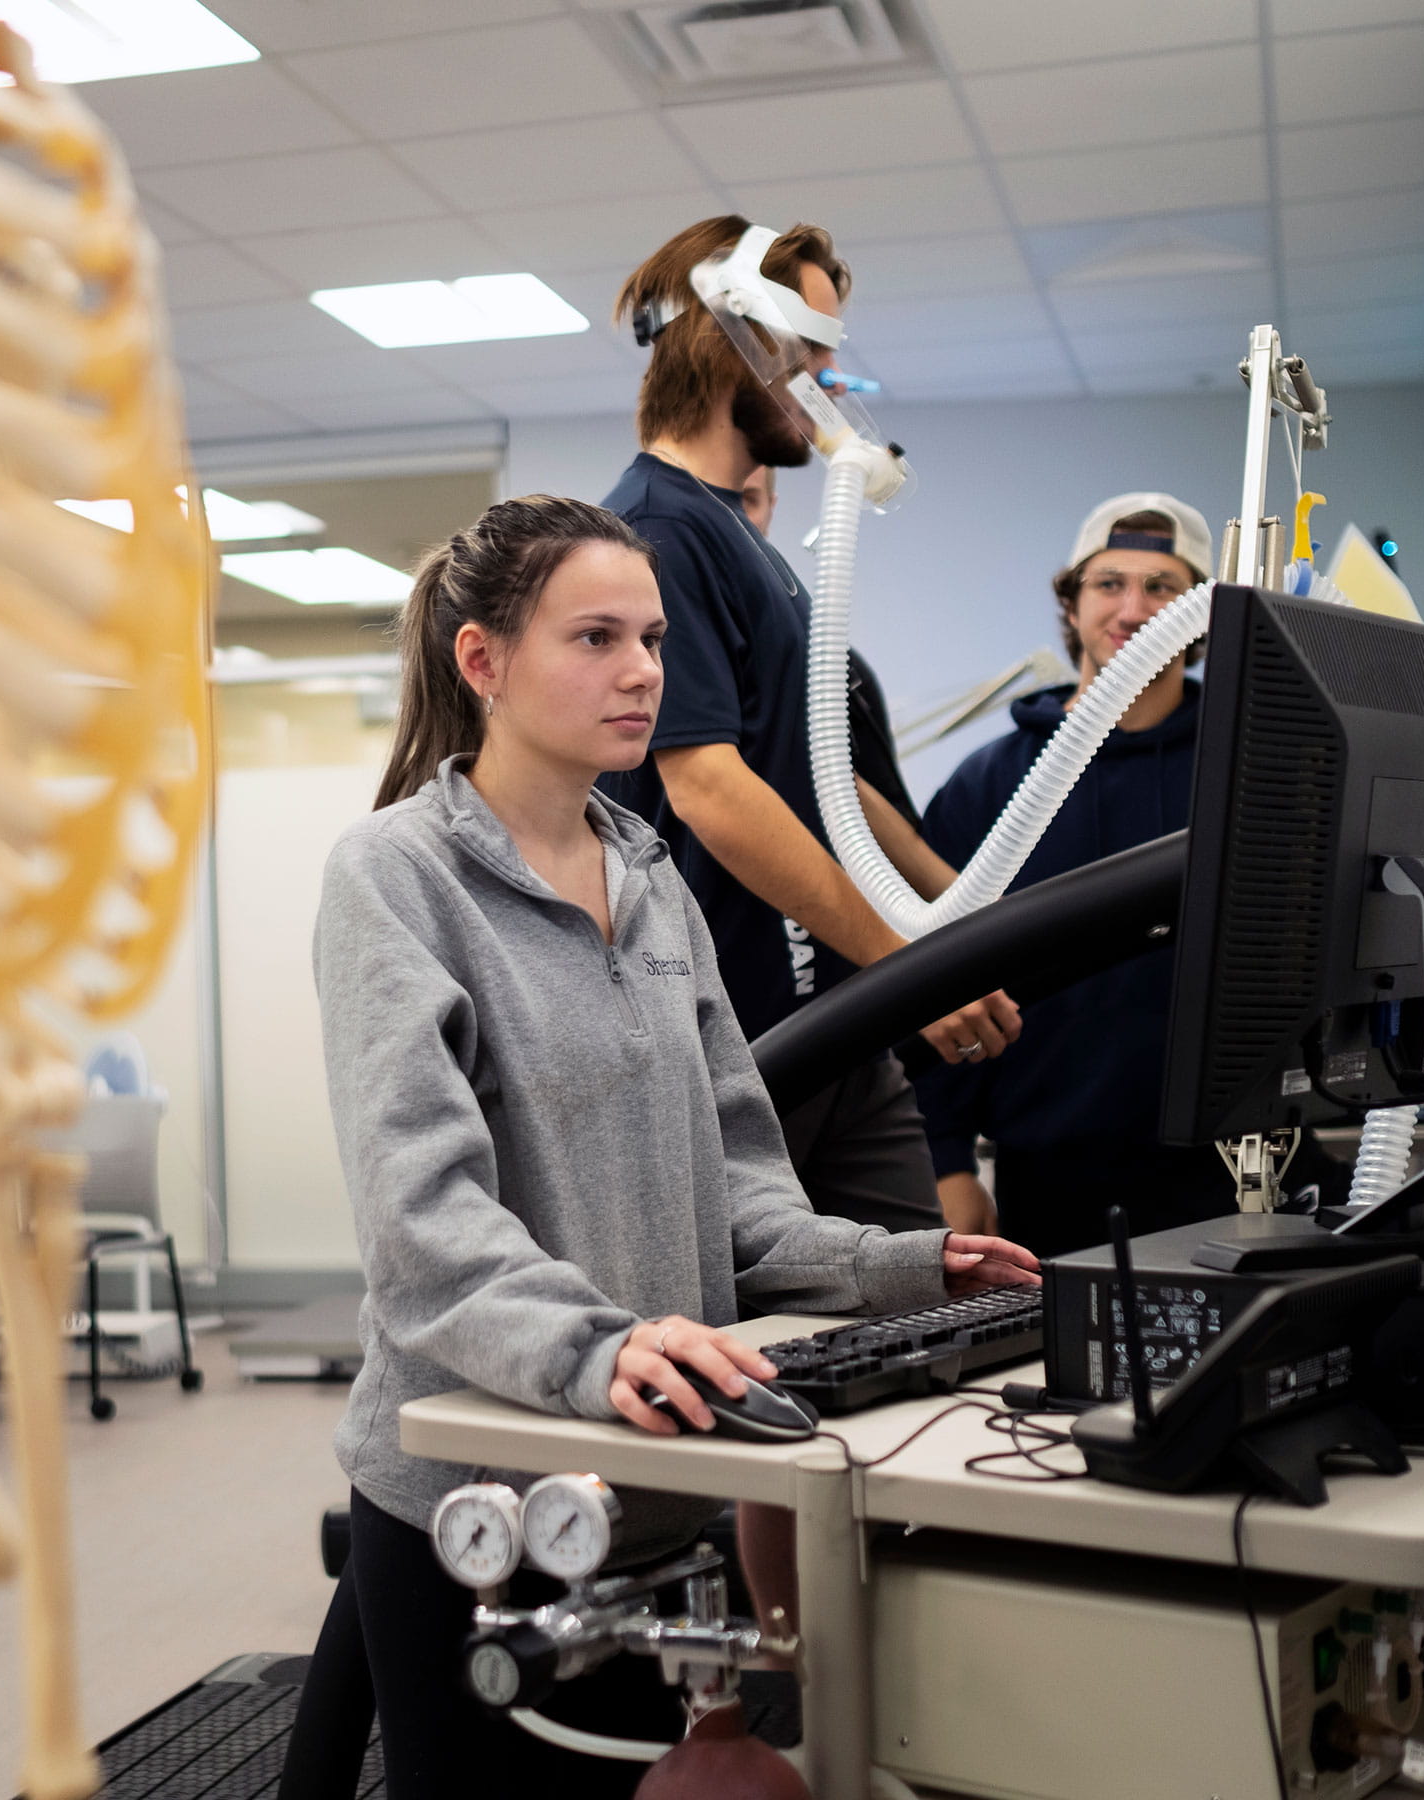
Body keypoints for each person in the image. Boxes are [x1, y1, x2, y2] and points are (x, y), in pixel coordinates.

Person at [284, 495, 1039, 1800]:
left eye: (652, 637)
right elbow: (427, 1227)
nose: (644, 671)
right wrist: (603, 1346)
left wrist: (906, 1266)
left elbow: (738, 1185)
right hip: (490, 1501)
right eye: (595, 638)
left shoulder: (652, 876)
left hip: (658, 1486)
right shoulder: (395, 879)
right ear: (484, 663)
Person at [599, 217, 1021, 1235]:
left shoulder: (747, 547)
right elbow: (708, 788)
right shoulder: (655, 532)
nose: (830, 373)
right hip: (743, 1038)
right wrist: (899, 964)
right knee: (772, 1351)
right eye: (811, 342)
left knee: (920, 1308)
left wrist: (957, 923)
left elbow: (821, 775)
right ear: (731, 336)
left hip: (841, 1021)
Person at [912, 495, 1235, 1253]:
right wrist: (947, 1160)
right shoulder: (991, 783)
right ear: (1072, 602)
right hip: (1048, 1167)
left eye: (1163, 587)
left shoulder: (1241, 768)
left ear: (1200, 615)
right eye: (1109, 583)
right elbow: (933, 975)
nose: (1133, 607)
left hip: (1224, 1163)